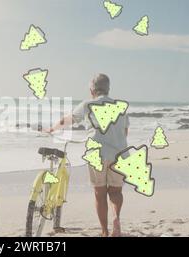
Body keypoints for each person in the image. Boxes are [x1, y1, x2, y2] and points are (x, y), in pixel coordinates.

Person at [45, 73, 129, 237]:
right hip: (120, 154)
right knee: (116, 191)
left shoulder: (87, 104)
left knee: (100, 192)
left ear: (92, 90)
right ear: (108, 89)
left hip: (97, 153)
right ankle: (116, 219)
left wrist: (52, 129)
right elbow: (125, 132)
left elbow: (68, 120)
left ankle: (105, 231)